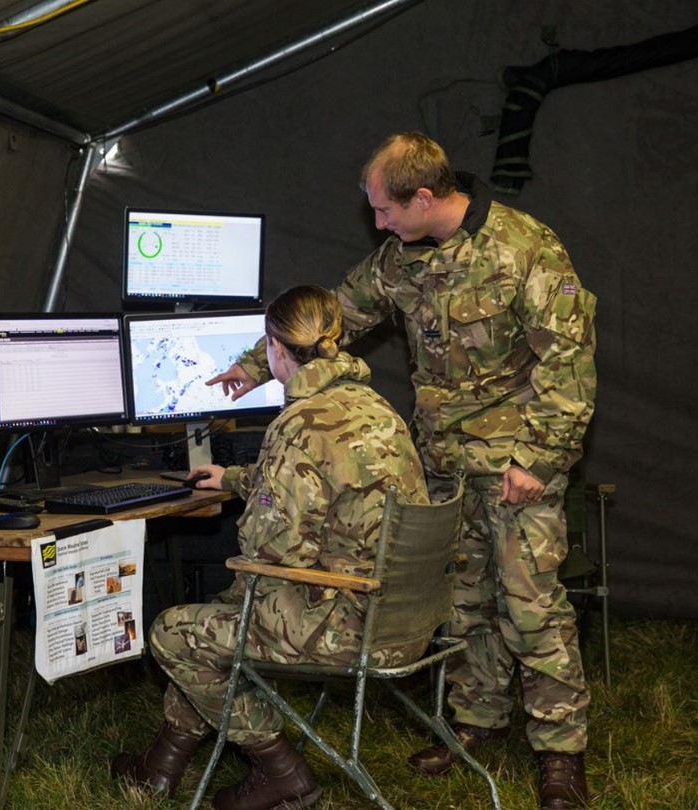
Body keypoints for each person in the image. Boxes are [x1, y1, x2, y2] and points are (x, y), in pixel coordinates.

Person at [206, 132, 597, 809]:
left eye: (384, 211)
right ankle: (474, 724)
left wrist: (537, 459)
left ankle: (560, 752)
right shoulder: (399, 259)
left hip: (515, 463)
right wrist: (250, 360)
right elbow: (335, 312)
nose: (377, 225)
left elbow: (568, 362)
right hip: (442, 461)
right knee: (463, 600)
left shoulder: (525, 249)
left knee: (531, 606)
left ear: (424, 197)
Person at [111, 285, 428, 810]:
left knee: (174, 631)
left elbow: (269, 549)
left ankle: (283, 771)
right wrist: (236, 478)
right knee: (213, 622)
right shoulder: (372, 407)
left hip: (347, 624)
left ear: (276, 348)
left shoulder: (298, 423)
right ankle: (159, 768)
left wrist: (252, 509)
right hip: (403, 615)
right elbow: (328, 481)